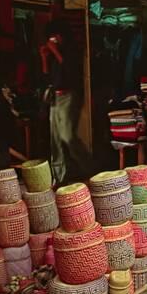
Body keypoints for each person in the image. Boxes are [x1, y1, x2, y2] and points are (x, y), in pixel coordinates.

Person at [39, 20, 94, 185]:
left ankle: (90, 169)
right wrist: (44, 58)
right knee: (55, 139)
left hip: (69, 96)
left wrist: (55, 51)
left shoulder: (70, 51)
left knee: (67, 136)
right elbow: (47, 77)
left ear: (61, 36)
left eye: (55, 36)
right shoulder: (54, 54)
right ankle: (59, 177)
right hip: (54, 97)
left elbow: (71, 71)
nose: (53, 39)